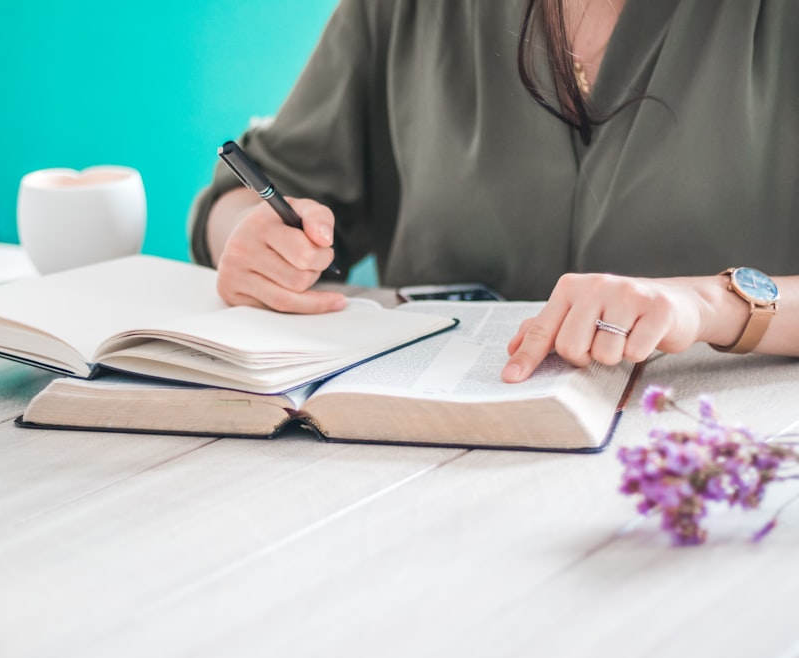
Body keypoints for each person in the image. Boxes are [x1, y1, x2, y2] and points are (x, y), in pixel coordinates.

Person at [189, 0, 798, 383]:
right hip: (425, 439)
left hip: (718, 434)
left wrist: (714, 306)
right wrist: (251, 241)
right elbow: (260, 193)